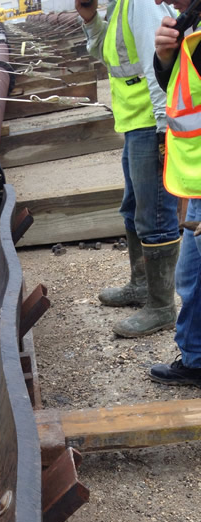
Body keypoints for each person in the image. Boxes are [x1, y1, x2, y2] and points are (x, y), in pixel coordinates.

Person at [75, 0, 181, 337]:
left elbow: (158, 63)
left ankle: (161, 307)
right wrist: (90, 19)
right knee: (133, 208)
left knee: (155, 216)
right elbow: (112, 57)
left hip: (151, 123)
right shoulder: (120, 5)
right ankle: (141, 284)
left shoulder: (142, 4)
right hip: (135, 123)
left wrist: (164, 128)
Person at [148, 0, 201, 386]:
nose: (158, 1)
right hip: (196, 184)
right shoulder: (192, 25)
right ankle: (196, 360)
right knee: (191, 278)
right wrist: (166, 59)